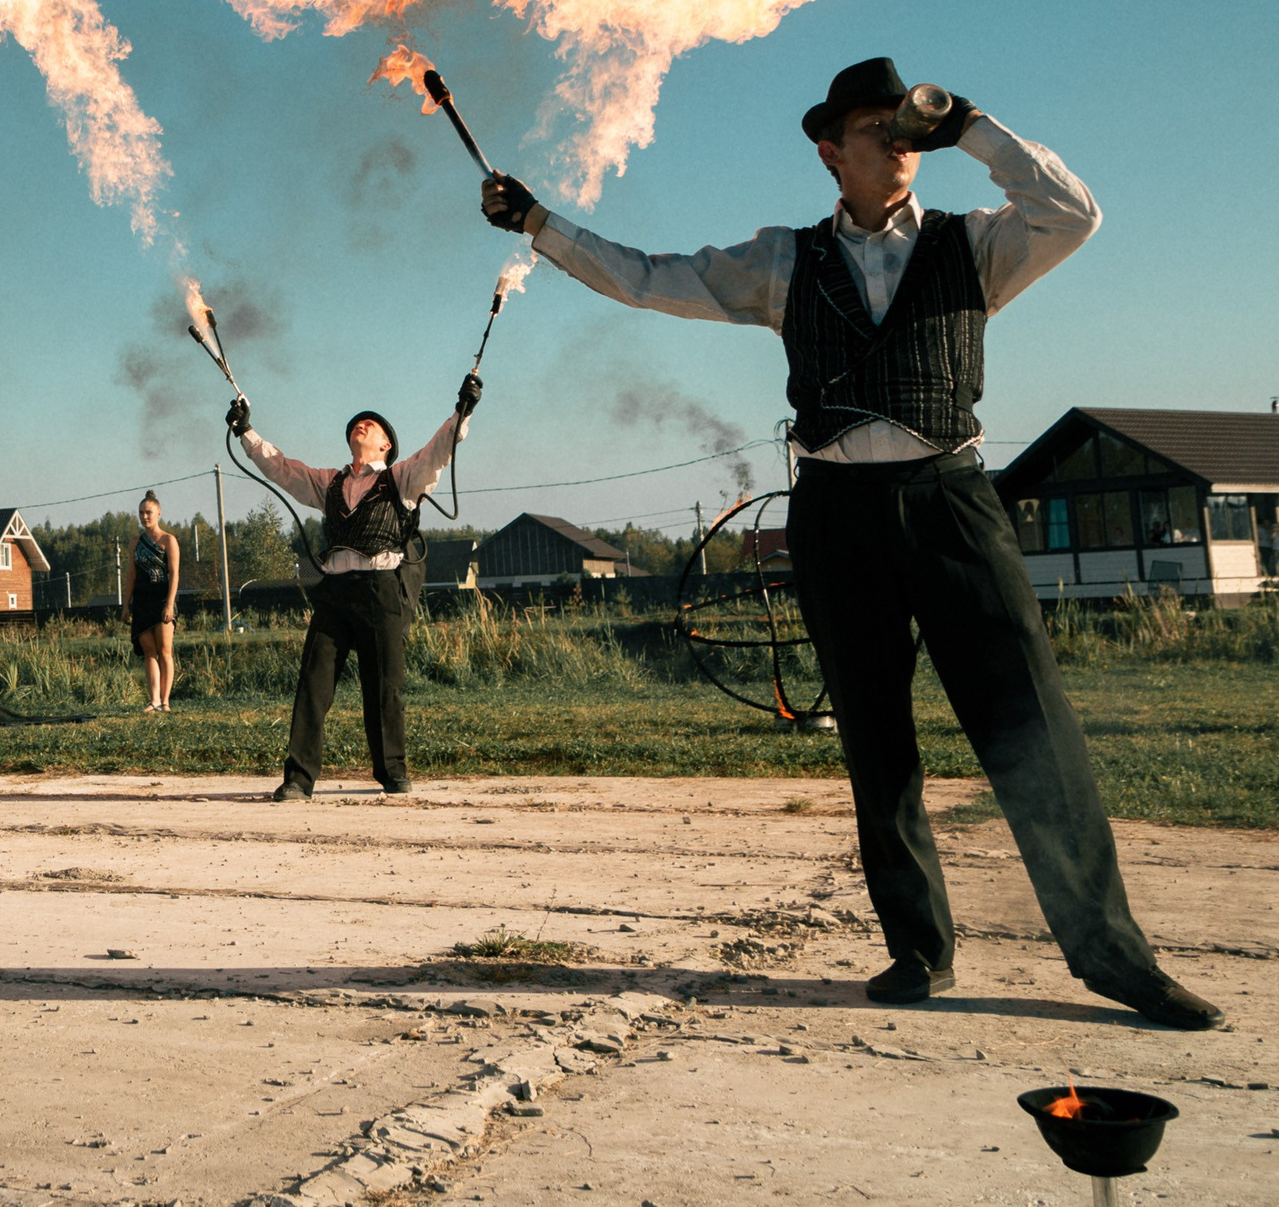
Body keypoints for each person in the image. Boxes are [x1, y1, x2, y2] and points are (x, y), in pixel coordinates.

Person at [482, 55, 1220, 1031]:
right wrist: (539, 223)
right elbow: (651, 278)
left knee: (1029, 727)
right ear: (830, 153)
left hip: (952, 502)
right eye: (877, 130)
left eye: (906, 129)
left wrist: (975, 130)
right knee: (877, 743)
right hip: (836, 511)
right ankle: (918, 950)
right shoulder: (781, 260)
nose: (898, 144)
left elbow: (1073, 211)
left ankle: (1114, 957)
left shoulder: (978, 244)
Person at [231, 373, 479, 802]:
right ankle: (297, 779)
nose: (360, 426)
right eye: (355, 425)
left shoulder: (403, 478)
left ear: (386, 445)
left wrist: (463, 411)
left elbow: (439, 452)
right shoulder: (329, 482)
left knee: (384, 684)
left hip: (381, 589)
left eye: (371, 425)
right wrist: (246, 432)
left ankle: (393, 772)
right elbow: (282, 468)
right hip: (335, 591)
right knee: (313, 682)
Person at [129, 495, 181, 713]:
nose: (144, 516)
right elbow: (130, 576)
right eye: (141, 512)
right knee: (149, 651)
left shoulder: (169, 540)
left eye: (148, 512)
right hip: (141, 601)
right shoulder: (134, 543)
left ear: (159, 513)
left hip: (162, 599)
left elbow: (175, 574)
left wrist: (169, 604)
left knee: (165, 650)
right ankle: (154, 700)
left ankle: (166, 701)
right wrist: (125, 606)